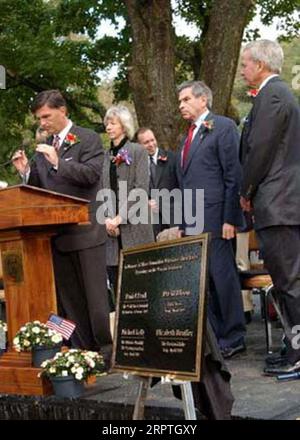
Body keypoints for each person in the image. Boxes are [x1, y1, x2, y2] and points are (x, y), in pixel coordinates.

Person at [12, 89, 112, 363]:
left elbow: (91, 175)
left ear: (62, 110)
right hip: (57, 237)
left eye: (46, 116)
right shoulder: (42, 149)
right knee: (70, 303)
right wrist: (25, 172)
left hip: (87, 232)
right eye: (38, 118)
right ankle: (82, 353)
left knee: (95, 302)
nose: (42, 123)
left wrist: (58, 162)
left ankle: (106, 353)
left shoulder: (88, 138)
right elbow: (37, 190)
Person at [240, 39, 300, 375]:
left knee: (289, 282)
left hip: (279, 202)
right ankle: (293, 346)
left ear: (261, 64)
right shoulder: (274, 95)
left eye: (246, 63)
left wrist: (246, 189)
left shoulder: (273, 95)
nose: (243, 69)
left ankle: (299, 352)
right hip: (279, 203)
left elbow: (259, 150)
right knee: (285, 281)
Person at [177, 80, 246, 359]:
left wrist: (230, 218)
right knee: (205, 281)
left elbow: (233, 175)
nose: (181, 105)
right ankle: (216, 337)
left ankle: (235, 335)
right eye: (180, 101)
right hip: (195, 220)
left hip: (217, 218)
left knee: (223, 277)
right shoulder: (188, 136)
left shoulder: (223, 126)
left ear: (203, 100)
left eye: (185, 99)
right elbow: (187, 182)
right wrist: (183, 223)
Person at [102, 106, 154, 296]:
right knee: (119, 287)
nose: (108, 127)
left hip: (135, 227)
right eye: (107, 123)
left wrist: (119, 218)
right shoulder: (105, 156)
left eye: (112, 123)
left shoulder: (138, 151)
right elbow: (103, 190)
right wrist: (108, 219)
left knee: (141, 285)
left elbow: (140, 190)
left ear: (124, 126)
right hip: (112, 233)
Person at [136, 127, 179, 238]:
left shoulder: (172, 158)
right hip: (152, 224)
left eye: (152, 140)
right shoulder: (136, 166)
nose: (151, 144)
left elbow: (182, 187)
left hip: (173, 218)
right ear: (139, 145)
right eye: (146, 142)